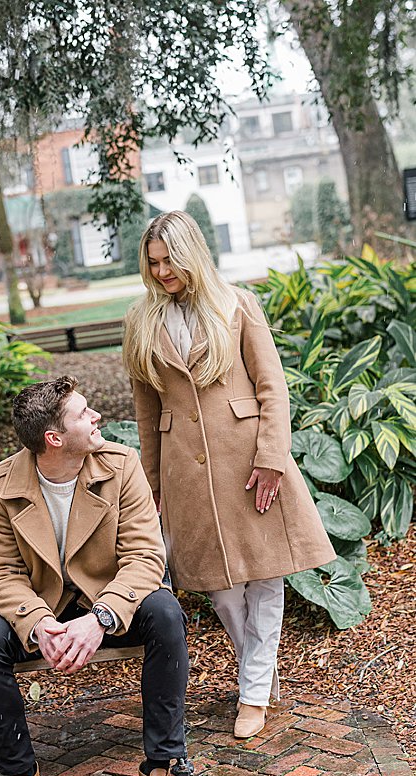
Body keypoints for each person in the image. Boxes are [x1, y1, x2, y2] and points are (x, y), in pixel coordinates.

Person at [123, 210, 332, 740]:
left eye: (171, 260)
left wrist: (271, 456)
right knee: (219, 590)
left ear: (193, 253)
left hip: (248, 461)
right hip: (184, 472)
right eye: (154, 263)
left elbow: (271, 386)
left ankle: (254, 691)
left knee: (265, 575)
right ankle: (258, 673)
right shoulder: (141, 320)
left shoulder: (237, 304)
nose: (163, 272)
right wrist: (152, 484)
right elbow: (146, 413)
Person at [0, 377, 193, 776]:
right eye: (84, 413)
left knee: (167, 615)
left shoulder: (121, 465)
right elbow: (0, 574)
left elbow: (146, 558)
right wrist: (40, 624)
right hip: (43, 608)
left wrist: (100, 619)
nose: (96, 417)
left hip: (108, 604)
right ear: (54, 438)